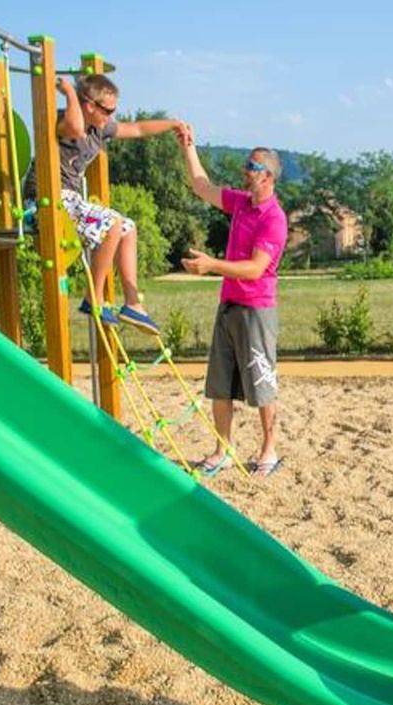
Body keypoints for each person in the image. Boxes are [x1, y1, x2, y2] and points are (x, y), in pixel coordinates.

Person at [175, 125, 287, 478]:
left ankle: (269, 450)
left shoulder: (274, 218)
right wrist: (188, 146)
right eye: (246, 165)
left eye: (252, 167)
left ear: (268, 177)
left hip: (256, 309)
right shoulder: (240, 202)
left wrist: (211, 266)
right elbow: (201, 185)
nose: (246, 171)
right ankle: (222, 449)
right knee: (219, 384)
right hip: (229, 305)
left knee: (262, 383)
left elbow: (255, 269)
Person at [57, 73, 181, 335]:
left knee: (127, 227)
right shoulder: (64, 119)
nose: (112, 116)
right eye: (108, 110)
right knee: (112, 223)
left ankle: (133, 303)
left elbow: (136, 129)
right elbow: (76, 129)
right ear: (89, 105)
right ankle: (94, 297)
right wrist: (69, 92)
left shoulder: (99, 127)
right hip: (52, 199)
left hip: (72, 199)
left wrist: (173, 123)